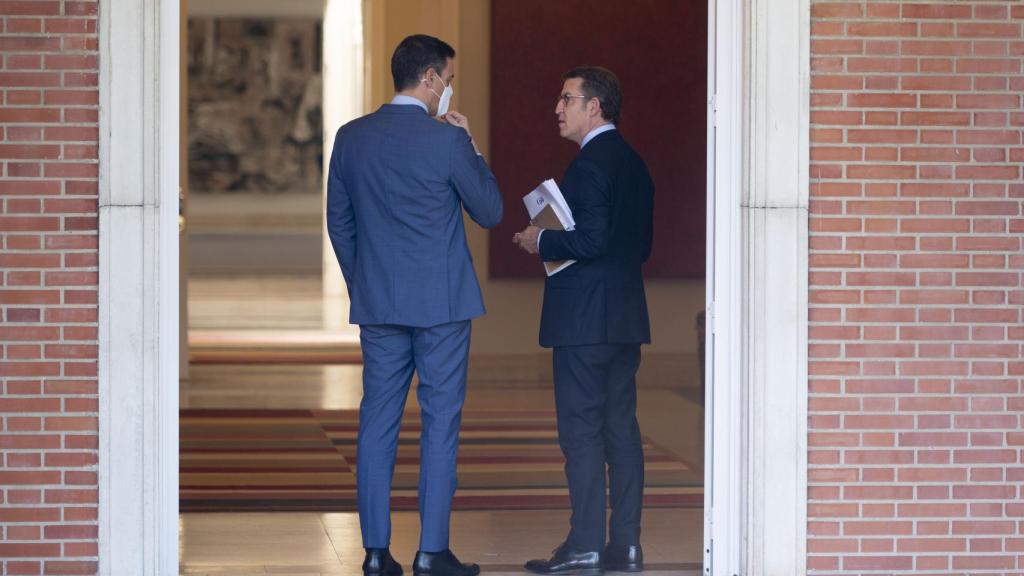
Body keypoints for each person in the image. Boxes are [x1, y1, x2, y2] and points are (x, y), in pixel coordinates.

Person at [327, 34, 503, 576]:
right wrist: (470, 141)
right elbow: (490, 210)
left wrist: (365, 284)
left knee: (376, 423)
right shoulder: (447, 143)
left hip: (379, 304)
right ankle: (432, 551)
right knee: (439, 424)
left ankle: (377, 553)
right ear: (429, 79)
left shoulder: (351, 137)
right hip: (443, 304)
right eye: (448, 80)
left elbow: (340, 221)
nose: (449, 90)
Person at [514, 66, 654, 575]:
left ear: (594, 107)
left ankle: (586, 544)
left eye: (567, 98)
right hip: (624, 319)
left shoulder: (590, 164)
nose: (558, 108)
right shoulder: (634, 163)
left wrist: (540, 240)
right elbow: (638, 246)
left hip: (584, 324)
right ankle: (626, 546)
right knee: (622, 431)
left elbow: (590, 240)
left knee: (581, 434)